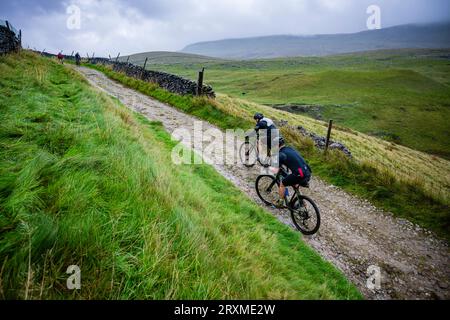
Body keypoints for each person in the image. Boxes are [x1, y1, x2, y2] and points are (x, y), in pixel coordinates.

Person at [274, 137, 312, 208]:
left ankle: (280, 203)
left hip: (300, 174)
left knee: (282, 184)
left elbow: (277, 167)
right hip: (307, 171)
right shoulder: (290, 149)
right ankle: (301, 202)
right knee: (295, 183)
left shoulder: (281, 154)